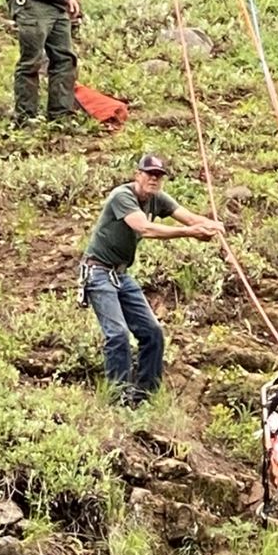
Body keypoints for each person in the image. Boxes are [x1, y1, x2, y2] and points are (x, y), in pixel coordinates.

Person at [81, 154, 224, 404]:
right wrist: (190, 233)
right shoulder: (122, 196)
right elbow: (144, 228)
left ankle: (144, 395)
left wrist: (213, 226)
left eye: (158, 176)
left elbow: (189, 217)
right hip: (98, 272)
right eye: (149, 174)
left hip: (120, 273)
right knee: (117, 334)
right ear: (138, 175)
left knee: (152, 332)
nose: (154, 180)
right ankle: (118, 397)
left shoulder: (157, 199)